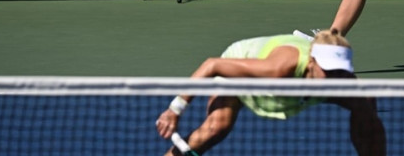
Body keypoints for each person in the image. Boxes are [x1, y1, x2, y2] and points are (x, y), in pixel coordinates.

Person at [155, 29, 386, 156]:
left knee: (364, 103)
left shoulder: (340, 79)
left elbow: (365, 108)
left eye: (341, 72)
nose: (335, 79)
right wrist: (174, 110)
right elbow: (212, 65)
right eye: (328, 71)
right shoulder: (278, 68)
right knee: (216, 128)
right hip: (242, 66)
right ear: (312, 63)